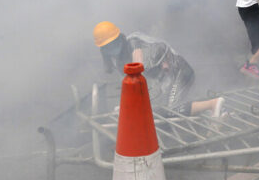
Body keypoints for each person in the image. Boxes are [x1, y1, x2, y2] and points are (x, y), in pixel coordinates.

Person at [93, 21, 224, 117]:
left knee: (171, 110)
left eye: (114, 42)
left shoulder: (133, 42)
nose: (112, 48)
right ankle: (215, 113)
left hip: (179, 72)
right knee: (160, 109)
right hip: (166, 80)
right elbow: (130, 84)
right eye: (107, 46)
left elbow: (137, 69)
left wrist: (128, 106)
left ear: (120, 38)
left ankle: (213, 104)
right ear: (103, 49)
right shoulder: (119, 62)